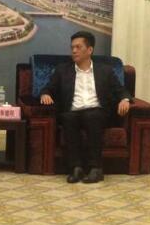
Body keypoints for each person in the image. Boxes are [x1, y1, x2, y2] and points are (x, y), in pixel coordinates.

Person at [39, 31, 131, 184]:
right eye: (72, 47)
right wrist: (45, 94)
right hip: (73, 111)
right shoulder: (63, 70)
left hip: (97, 111)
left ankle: (96, 169)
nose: (74, 51)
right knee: (68, 118)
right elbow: (48, 87)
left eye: (78, 47)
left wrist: (125, 99)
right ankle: (76, 168)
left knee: (92, 116)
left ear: (89, 50)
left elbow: (120, 89)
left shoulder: (105, 71)